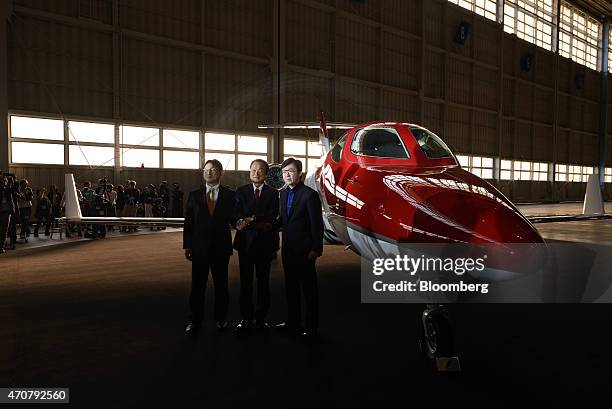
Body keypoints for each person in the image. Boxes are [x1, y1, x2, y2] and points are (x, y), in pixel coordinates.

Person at [183, 159, 235, 336]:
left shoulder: (230, 195)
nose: (209, 172)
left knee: (222, 286)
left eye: (213, 169)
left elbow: (234, 219)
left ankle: (221, 318)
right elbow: (189, 222)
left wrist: (242, 222)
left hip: (221, 248)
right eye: (206, 170)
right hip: (199, 248)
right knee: (197, 286)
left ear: (221, 172)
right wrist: (188, 245)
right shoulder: (194, 195)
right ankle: (195, 320)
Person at [275, 158, 324, 340]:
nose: (287, 174)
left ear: (300, 174)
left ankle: (312, 328)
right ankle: (293, 322)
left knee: (309, 292)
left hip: (305, 252)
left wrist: (316, 249)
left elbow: (317, 225)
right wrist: (264, 224)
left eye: (291, 171)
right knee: (291, 290)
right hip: (288, 251)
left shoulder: (310, 195)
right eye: (284, 172)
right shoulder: (283, 194)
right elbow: (283, 221)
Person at [233, 159, 280, 332]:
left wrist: (250, 219)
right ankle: (246, 318)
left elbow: (271, 215)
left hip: (265, 245)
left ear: (266, 174)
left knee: (263, 283)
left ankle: (261, 319)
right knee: (245, 283)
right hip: (245, 244)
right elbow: (237, 215)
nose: (256, 173)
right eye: (253, 169)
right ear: (249, 172)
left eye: (260, 170)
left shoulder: (273, 193)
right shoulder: (241, 191)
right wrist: (258, 223)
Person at [0, 175, 15, 253]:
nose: (4, 182)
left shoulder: (8, 190)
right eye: (3, 181)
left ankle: (1, 247)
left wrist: (13, 210)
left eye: (5, 181)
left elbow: (11, 201)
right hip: (2, 211)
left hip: (6, 212)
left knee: (4, 230)